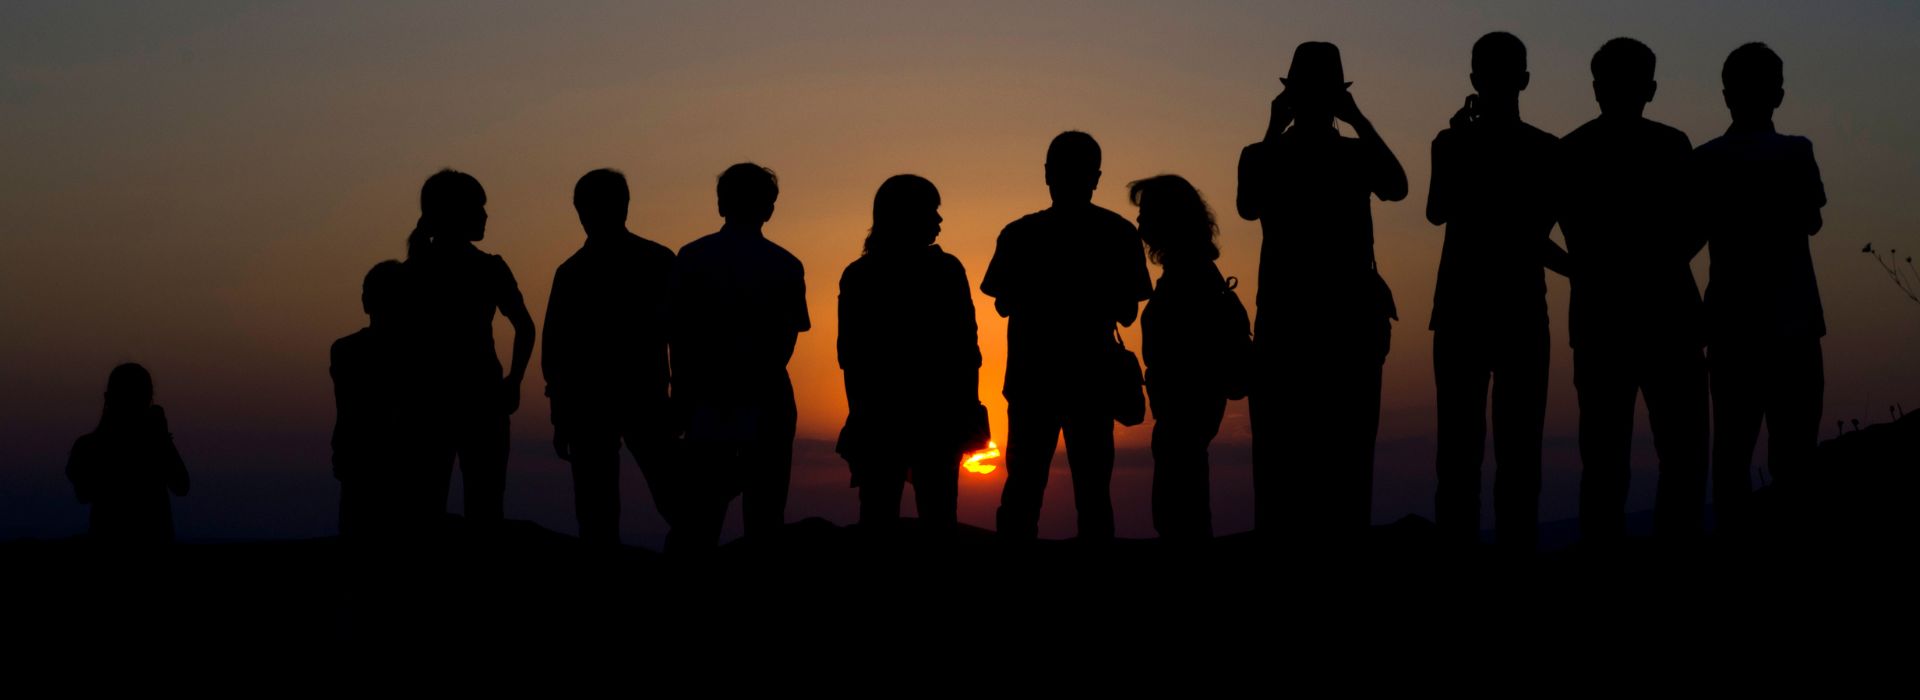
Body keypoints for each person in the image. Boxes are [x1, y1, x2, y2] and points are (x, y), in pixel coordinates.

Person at [1236, 42, 1407, 544]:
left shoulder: (1267, 155)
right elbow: (1396, 186)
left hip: (1292, 323)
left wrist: (1272, 130)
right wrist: (1359, 121)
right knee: (1347, 454)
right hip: (1340, 322)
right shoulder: (1350, 155)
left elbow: (1249, 205)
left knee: (1281, 455)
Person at [1556, 38, 1709, 543]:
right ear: (1652, 88)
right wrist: (1658, 264)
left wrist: (1583, 271)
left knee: (1605, 464)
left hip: (1606, 322)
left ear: (1596, 88)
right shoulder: (1671, 144)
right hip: (1668, 316)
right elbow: (1699, 223)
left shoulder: (1571, 150)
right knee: (1680, 457)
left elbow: (1529, 235)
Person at [1425, 32, 1567, 552]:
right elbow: (1540, 238)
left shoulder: (1450, 143)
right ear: (1524, 80)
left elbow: (1437, 210)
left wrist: (1457, 141)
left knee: (1458, 456)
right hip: (1522, 312)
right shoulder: (1548, 150)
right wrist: (1579, 270)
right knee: (1520, 454)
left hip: (1463, 310)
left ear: (1473, 81)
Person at [982, 131, 1152, 542]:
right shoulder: (1119, 233)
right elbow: (1128, 312)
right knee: (1094, 497)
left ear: (1047, 175)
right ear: (1095, 178)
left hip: (1031, 381)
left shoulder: (1019, 234)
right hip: (1090, 382)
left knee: (1022, 491)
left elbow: (1001, 303)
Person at [1692, 43, 1827, 532]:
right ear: (1780, 94)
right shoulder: (1796, 151)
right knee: (1795, 457)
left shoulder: (1704, 160)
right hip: (1793, 324)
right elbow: (1812, 220)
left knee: (1731, 456)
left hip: (1731, 327)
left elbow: (1689, 236)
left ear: (1727, 96)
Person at [836, 174, 982, 537]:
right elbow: (966, 350)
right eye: (932, 211)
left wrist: (859, 414)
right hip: (934, 418)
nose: (939, 220)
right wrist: (969, 411)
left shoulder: (859, 275)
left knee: (878, 516)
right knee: (936, 518)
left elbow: (851, 357)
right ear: (907, 215)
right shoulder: (946, 270)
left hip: (882, 418)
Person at [673, 163, 810, 548]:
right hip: (768, 397)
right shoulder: (785, 264)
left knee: (702, 513)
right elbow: (787, 340)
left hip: (706, 396)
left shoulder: (692, 257)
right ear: (769, 209)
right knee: (765, 514)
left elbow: (678, 336)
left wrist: (680, 396)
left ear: (721, 205)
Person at [544, 169, 680, 546]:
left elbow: (555, 350)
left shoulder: (573, 272)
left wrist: (560, 412)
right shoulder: (657, 260)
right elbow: (680, 335)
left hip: (611, 401)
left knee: (601, 508)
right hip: (636, 397)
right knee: (667, 497)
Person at [403, 169, 536, 525]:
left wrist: (514, 381)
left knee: (427, 503)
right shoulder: (487, 268)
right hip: (477, 398)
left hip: (433, 400)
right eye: (478, 206)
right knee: (484, 505)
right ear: (455, 212)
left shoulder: (412, 272)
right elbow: (524, 327)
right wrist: (514, 381)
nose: (485, 215)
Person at [1133, 175, 1249, 541]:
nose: (1140, 223)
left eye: (1147, 213)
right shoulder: (1194, 271)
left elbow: (1186, 350)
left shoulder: (1189, 276)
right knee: (1182, 506)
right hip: (1184, 411)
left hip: (1185, 409)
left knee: (1179, 511)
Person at [331, 260, 415, 539]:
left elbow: (348, 411)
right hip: (393, 462)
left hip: (360, 459)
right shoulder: (419, 356)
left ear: (367, 302)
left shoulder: (345, 351)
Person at [66, 363, 190, 544]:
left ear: (107, 398)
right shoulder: (154, 444)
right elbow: (181, 486)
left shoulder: (88, 445)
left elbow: (182, 486)